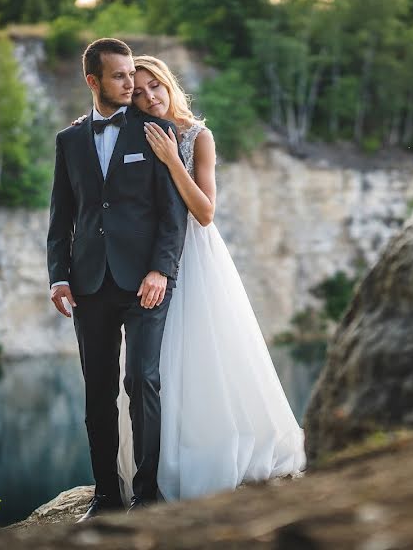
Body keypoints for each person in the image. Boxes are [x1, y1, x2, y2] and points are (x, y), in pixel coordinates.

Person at [79, 55, 306, 502]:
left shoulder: (198, 137)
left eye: (155, 87)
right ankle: (159, 466)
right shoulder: (135, 129)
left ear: (169, 85)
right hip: (145, 264)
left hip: (193, 254)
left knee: (203, 358)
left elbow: (204, 212)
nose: (148, 97)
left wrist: (170, 159)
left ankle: (209, 454)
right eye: (138, 91)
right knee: (155, 370)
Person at [47, 39, 188, 522]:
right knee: (98, 389)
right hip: (88, 284)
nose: (132, 84)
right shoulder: (68, 141)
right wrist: (58, 278)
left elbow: (174, 215)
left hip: (145, 281)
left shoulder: (157, 131)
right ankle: (106, 495)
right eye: (120, 77)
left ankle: (147, 496)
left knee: (141, 379)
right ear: (93, 81)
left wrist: (160, 269)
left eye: (133, 74)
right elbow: (61, 217)